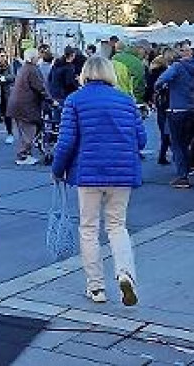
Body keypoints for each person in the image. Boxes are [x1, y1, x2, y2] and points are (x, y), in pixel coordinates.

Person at [51, 55, 146, 306]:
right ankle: (125, 273)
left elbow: (66, 141)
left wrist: (57, 168)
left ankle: (96, 288)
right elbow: (142, 139)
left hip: (89, 172)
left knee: (89, 228)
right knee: (117, 226)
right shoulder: (126, 101)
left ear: (84, 74)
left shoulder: (75, 100)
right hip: (122, 173)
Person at [155, 44, 194, 189]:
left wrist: (162, 87)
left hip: (177, 109)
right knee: (186, 142)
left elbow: (161, 80)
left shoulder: (177, 67)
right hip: (192, 109)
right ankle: (188, 168)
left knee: (177, 144)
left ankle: (182, 176)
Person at [7, 48, 48, 166]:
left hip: (16, 104)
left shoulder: (23, 68)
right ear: (33, 58)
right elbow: (40, 87)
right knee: (29, 131)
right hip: (26, 106)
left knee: (23, 131)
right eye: (37, 56)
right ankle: (23, 155)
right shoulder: (32, 70)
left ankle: (24, 154)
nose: (39, 58)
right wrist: (50, 99)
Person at [143, 51, 171, 165]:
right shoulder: (167, 73)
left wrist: (148, 100)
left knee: (163, 129)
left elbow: (149, 89)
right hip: (168, 103)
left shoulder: (151, 74)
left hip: (159, 104)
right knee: (169, 129)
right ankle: (165, 154)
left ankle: (163, 154)